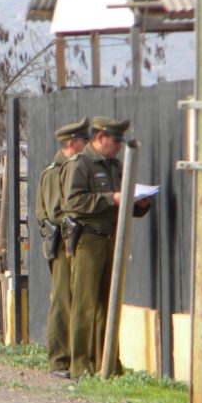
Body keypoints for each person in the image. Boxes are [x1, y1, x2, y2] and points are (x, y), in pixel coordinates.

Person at [59, 116, 152, 380]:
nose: (119, 146)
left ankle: (107, 364)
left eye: (121, 142)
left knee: (107, 305)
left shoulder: (115, 165)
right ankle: (81, 367)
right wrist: (111, 198)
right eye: (115, 141)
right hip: (88, 240)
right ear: (100, 138)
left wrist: (139, 204)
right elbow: (73, 202)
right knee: (85, 305)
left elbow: (122, 203)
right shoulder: (80, 164)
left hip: (112, 237)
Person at [35, 117, 89, 380]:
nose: (86, 146)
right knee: (62, 301)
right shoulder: (56, 171)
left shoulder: (73, 168)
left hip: (76, 243)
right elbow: (56, 211)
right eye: (83, 141)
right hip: (62, 243)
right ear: (71, 143)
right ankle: (58, 360)